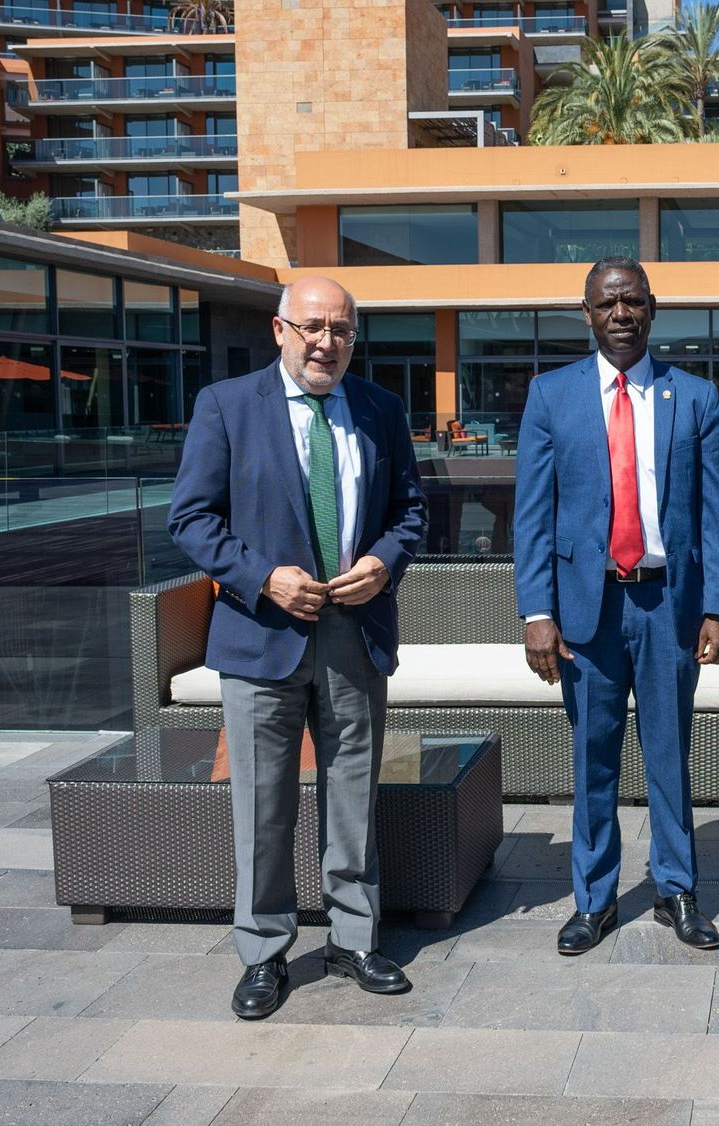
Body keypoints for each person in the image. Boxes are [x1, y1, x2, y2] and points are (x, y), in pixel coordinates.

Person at [168, 276, 428, 1020]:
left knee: (353, 800)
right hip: (261, 637)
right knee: (263, 806)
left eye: (342, 330)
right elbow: (189, 518)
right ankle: (263, 952)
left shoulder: (380, 409)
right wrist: (262, 577)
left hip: (355, 633)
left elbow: (410, 510)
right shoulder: (226, 407)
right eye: (313, 326)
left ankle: (353, 940)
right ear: (279, 329)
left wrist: (384, 562)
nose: (327, 342)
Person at [512, 257, 719, 956]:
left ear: (651, 309)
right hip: (586, 611)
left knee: (670, 756)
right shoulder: (551, 396)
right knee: (593, 759)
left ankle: (676, 889)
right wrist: (535, 612)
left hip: (668, 605)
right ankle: (594, 899)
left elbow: (716, 514)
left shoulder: (693, 398)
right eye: (607, 302)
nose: (621, 313)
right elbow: (533, 515)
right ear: (586, 314)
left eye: (633, 301)